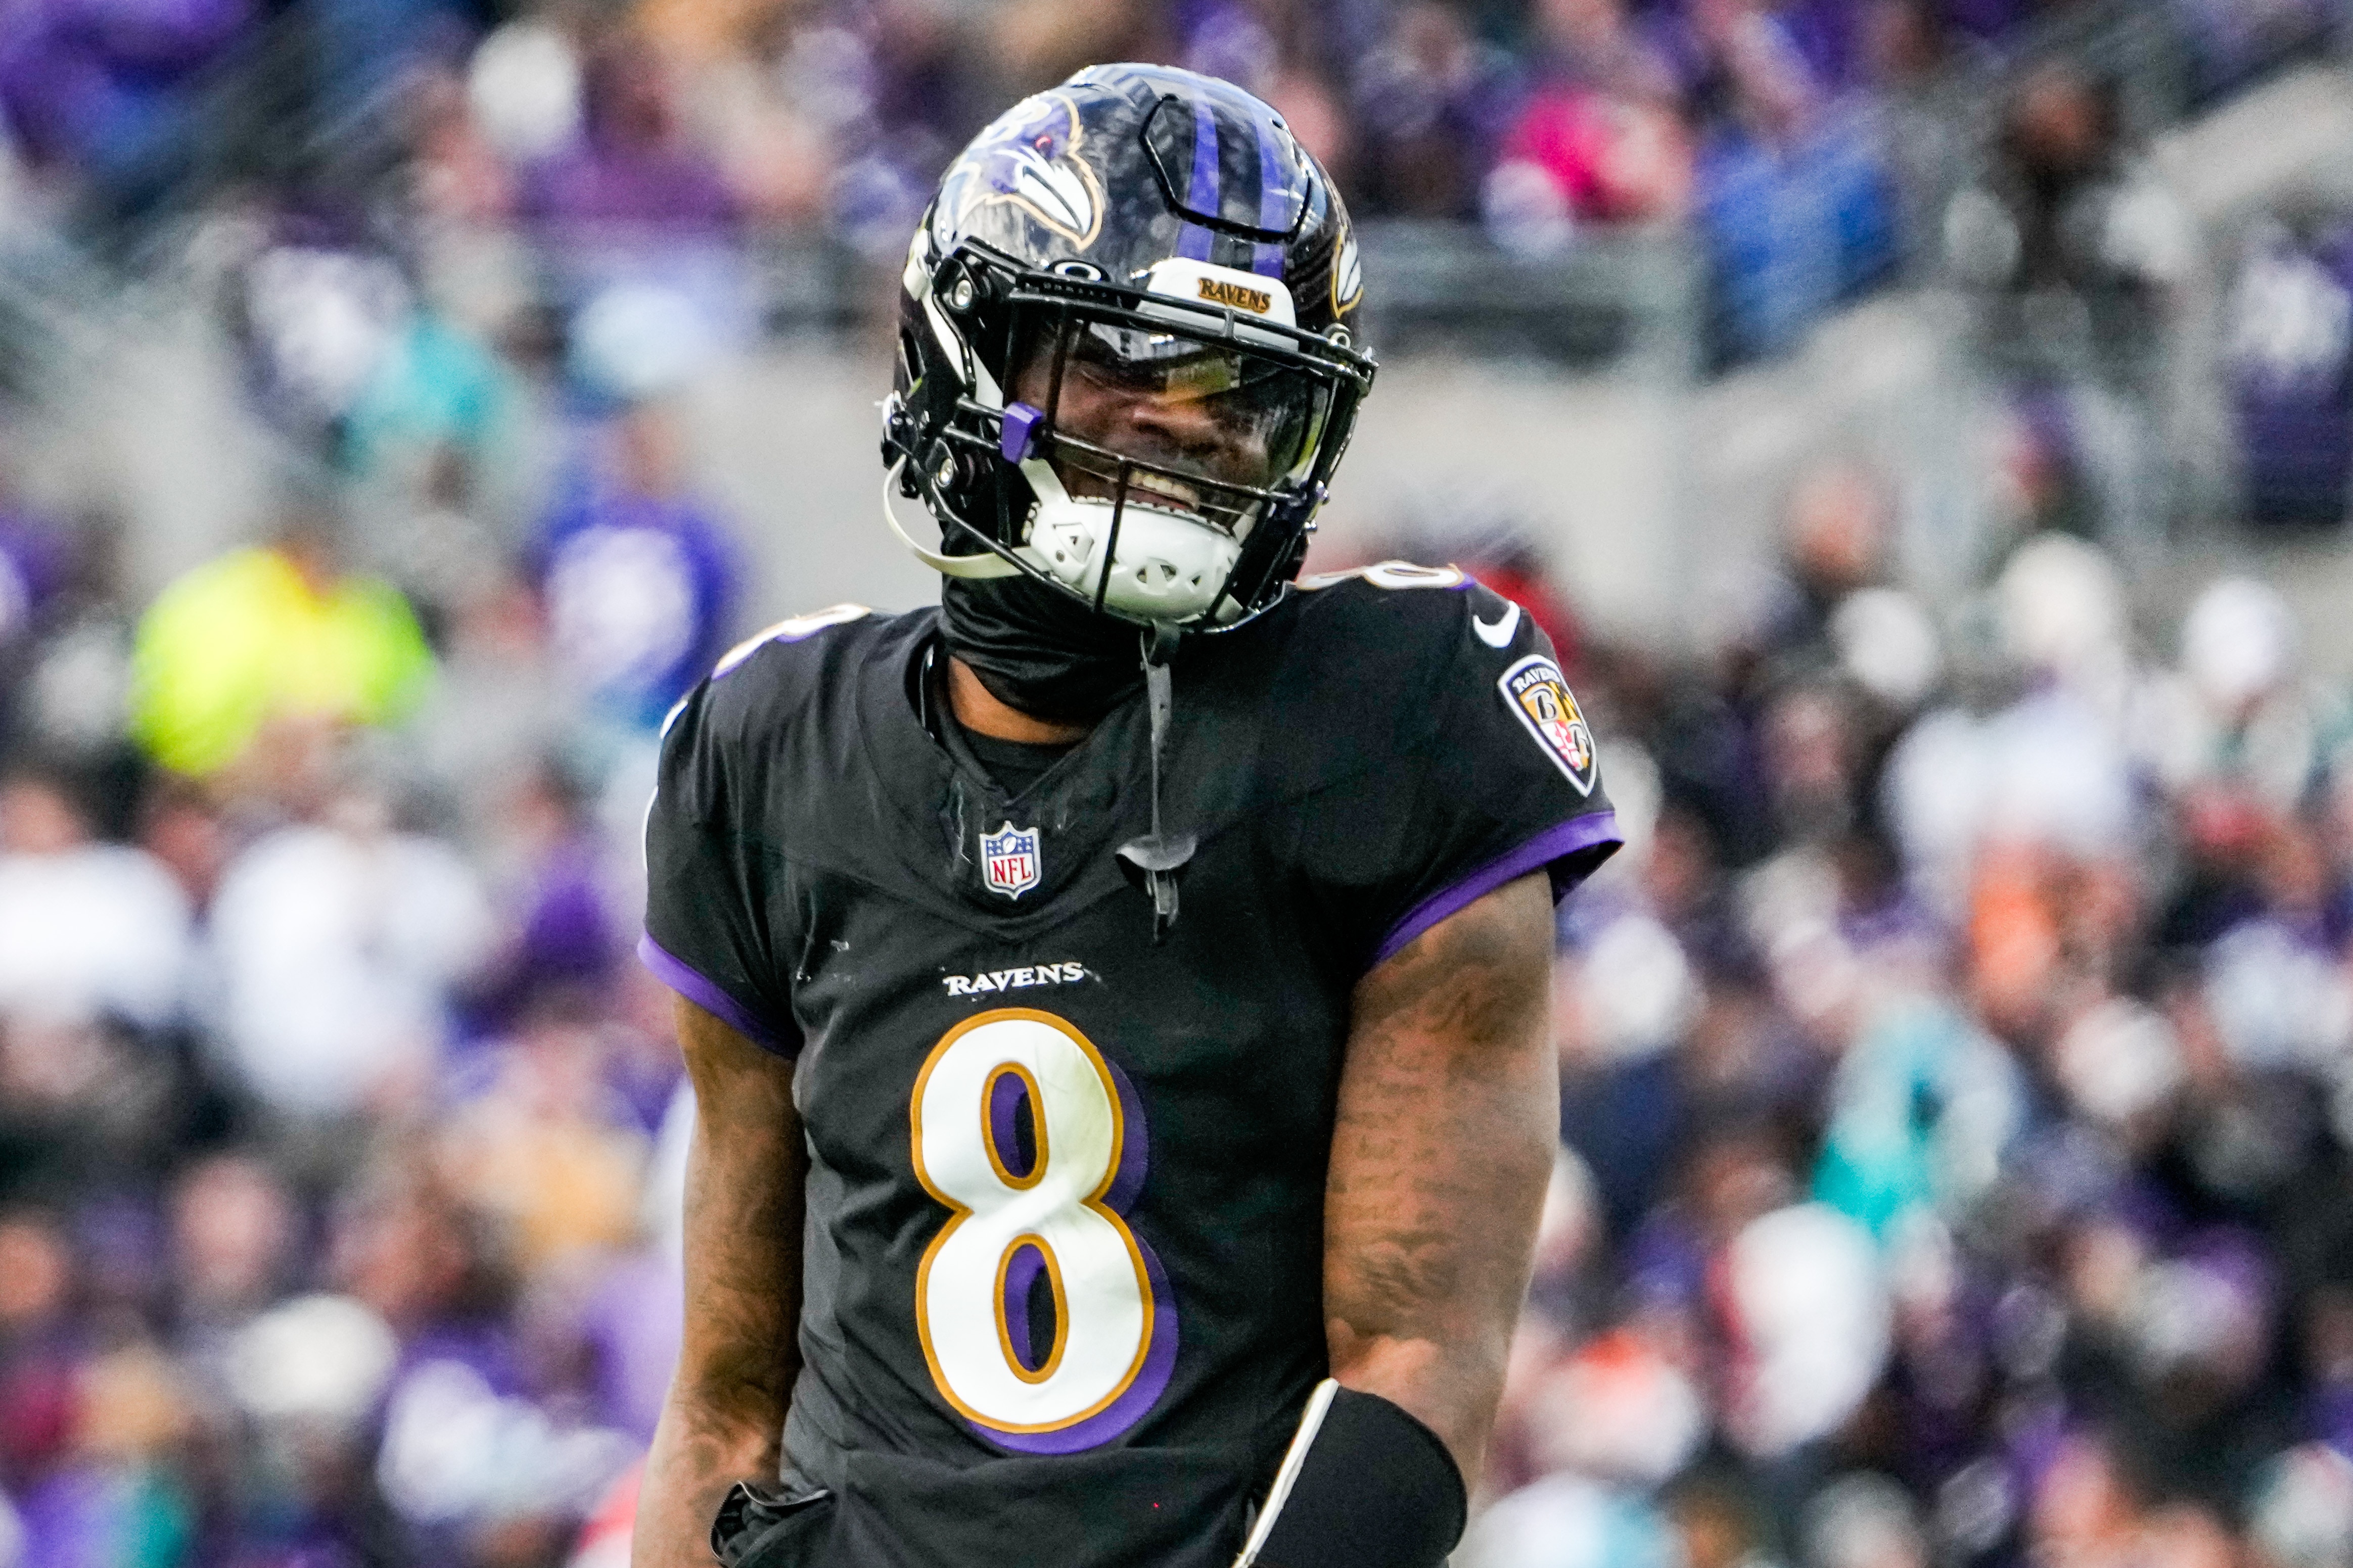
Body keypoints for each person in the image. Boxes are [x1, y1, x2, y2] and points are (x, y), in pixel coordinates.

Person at [633, 65, 1622, 1568]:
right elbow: (723, 1405)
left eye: (1242, 393)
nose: (1192, 428)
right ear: (976, 353)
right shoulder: (767, 752)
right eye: (1124, 367)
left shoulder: (1400, 711)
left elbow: (1420, 1364)